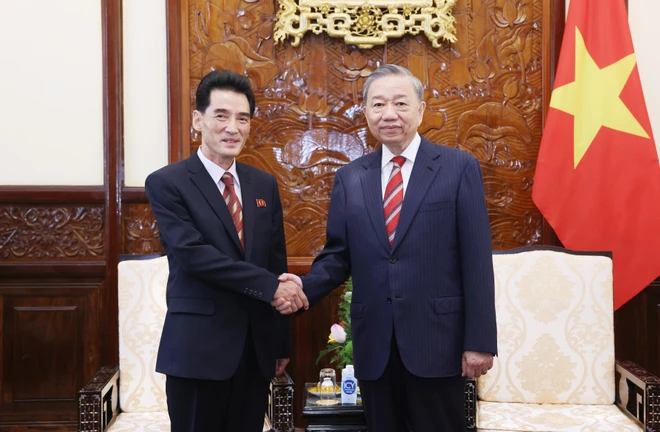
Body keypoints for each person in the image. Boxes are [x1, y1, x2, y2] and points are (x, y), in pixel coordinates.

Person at [277, 64, 497, 431]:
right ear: (365, 113)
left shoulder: (459, 169)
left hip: (438, 343)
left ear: (421, 110)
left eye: (400, 103)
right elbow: (337, 256)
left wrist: (480, 342)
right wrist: (302, 289)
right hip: (375, 344)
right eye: (378, 105)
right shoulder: (350, 178)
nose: (389, 114)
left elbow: (476, 261)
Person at [145, 69, 308, 432]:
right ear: (198, 119)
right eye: (221, 115)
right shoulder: (167, 182)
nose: (232, 127)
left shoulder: (262, 183)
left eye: (242, 118)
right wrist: (271, 287)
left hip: (254, 351)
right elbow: (193, 255)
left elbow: (275, 262)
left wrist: (279, 342)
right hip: (197, 352)